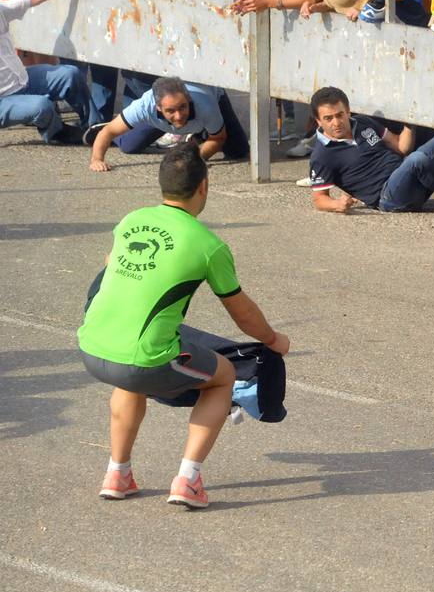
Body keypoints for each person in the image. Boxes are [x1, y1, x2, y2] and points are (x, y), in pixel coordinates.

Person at [77, 141, 290, 510]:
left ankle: (117, 474)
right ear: (203, 186)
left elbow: (111, 264)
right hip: (145, 358)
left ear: (162, 184)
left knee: (130, 378)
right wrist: (273, 338)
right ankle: (188, 481)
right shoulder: (208, 245)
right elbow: (242, 314)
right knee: (223, 376)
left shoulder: (131, 220)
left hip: (91, 347)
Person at [307, 86, 434, 213]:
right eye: (328, 118)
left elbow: (401, 147)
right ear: (318, 121)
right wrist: (337, 204)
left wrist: (410, 122)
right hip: (388, 198)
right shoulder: (322, 155)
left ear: (348, 111)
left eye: (340, 115)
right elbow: (319, 199)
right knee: (417, 160)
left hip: (409, 176)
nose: (336, 122)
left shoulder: (362, 123)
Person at [0, 0, 94, 145]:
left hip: (23, 81)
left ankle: (94, 127)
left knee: (70, 74)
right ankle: (57, 133)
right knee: (42, 106)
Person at [87, 77, 250, 169]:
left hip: (211, 100)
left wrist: (195, 158)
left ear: (188, 100)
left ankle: (199, 134)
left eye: (182, 107)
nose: (178, 116)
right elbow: (108, 132)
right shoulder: (144, 106)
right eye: (171, 110)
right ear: (158, 107)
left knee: (238, 151)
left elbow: (218, 138)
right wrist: (96, 159)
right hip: (161, 122)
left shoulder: (206, 105)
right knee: (128, 146)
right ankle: (110, 125)